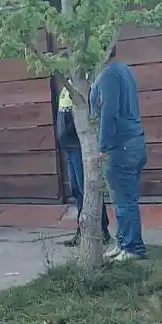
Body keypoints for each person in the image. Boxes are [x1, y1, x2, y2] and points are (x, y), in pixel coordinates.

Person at [91, 47, 147, 262]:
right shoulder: (124, 69)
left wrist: (102, 146)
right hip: (134, 141)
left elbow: (109, 112)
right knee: (123, 199)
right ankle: (123, 242)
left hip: (120, 145)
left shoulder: (108, 75)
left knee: (124, 200)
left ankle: (133, 247)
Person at [55, 74, 111, 247]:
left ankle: (101, 230)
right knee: (77, 190)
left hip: (80, 147)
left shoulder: (82, 87)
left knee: (87, 189)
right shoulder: (66, 88)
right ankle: (84, 230)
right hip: (69, 148)